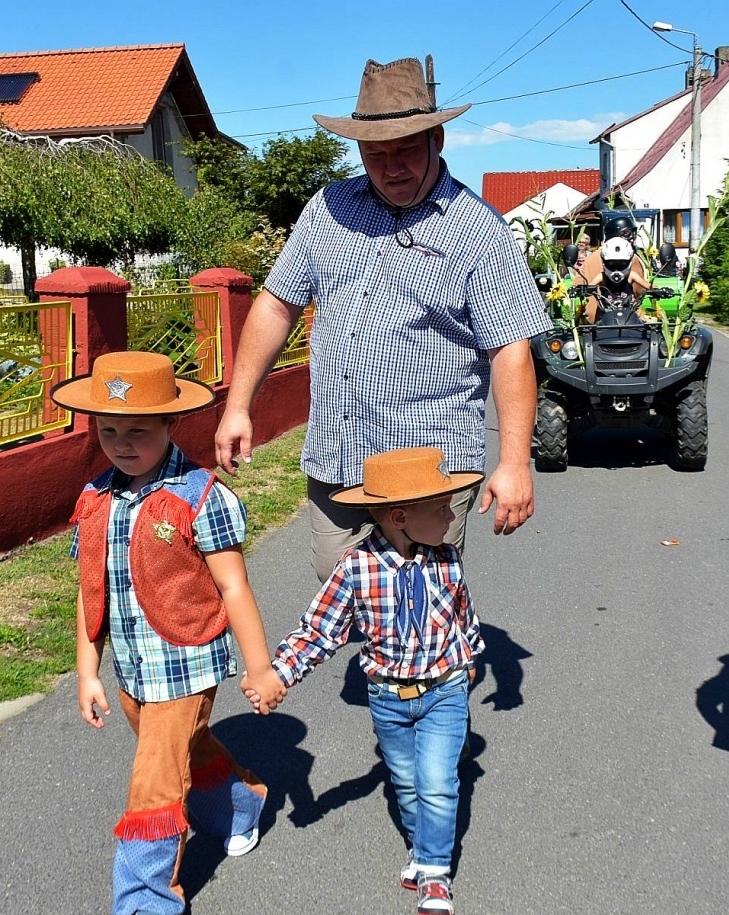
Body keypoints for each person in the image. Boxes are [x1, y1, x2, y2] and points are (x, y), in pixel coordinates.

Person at [213, 56, 552, 582]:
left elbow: (509, 349)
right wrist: (238, 406)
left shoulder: (478, 230)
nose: (391, 167)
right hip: (338, 453)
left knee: (418, 607)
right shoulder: (328, 209)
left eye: (405, 150)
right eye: (375, 153)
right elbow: (277, 304)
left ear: (437, 140)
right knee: (340, 591)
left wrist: (514, 463)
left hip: (428, 469)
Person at [54, 351, 287, 915]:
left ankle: (149, 902)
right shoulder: (94, 500)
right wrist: (87, 671)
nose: (122, 443)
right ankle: (241, 807)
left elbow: (233, 585)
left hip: (186, 665)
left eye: (137, 430)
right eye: (109, 431)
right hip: (134, 670)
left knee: (154, 782)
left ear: (169, 426)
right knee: (189, 751)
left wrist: (260, 667)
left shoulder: (200, 496)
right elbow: (90, 593)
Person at [257, 447, 484, 915]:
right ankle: (422, 847)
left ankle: (434, 871)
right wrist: (279, 673)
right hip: (387, 698)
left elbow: (463, 614)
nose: (450, 514)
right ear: (401, 516)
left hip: (444, 690)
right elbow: (319, 630)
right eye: (440, 507)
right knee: (404, 781)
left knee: (439, 783)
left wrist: (471, 656)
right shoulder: (355, 570)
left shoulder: (448, 560)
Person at [577, 215, 650, 322]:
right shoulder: (630, 258)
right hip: (627, 318)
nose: (632, 238)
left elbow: (578, 284)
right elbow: (640, 291)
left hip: (594, 320)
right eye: (628, 234)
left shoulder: (590, 258)